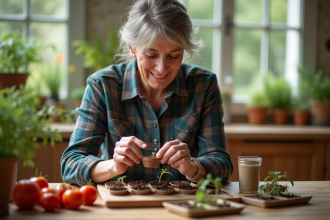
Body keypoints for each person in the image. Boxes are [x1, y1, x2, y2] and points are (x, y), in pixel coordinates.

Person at [61, 0, 233, 186]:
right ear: (131, 48)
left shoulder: (203, 85)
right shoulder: (102, 85)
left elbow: (222, 164)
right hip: (120, 209)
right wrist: (113, 166)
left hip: (182, 208)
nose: (161, 68)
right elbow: (70, 164)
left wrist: (192, 166)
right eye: (151, 55)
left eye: (174, 55)